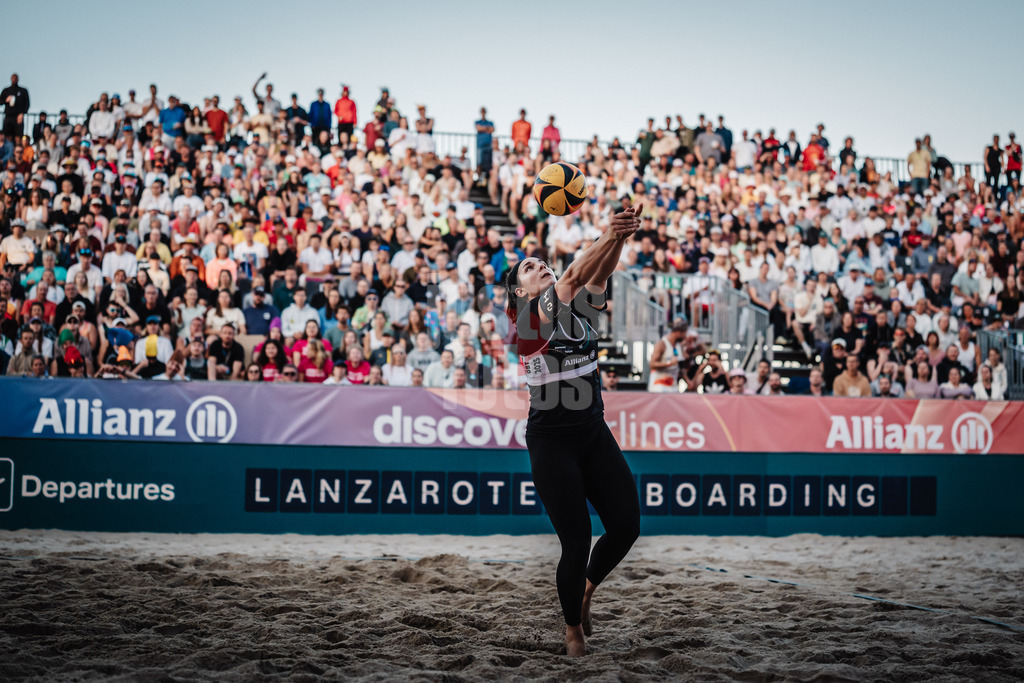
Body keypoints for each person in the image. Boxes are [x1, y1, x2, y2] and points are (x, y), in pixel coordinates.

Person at [503, 204, 641, 658]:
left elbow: (596, 276)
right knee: (576, 541)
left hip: (592, 432)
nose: (541, 266)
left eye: (542, 262)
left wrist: (619, 237)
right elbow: (575, 274)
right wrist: (609, 232)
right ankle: (572, 633)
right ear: (519, 292)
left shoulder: (578, 311)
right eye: (529, 268)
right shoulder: (530, 320)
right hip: (552, 443)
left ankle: (585, 591)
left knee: (626, 526)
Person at [647, 318, 687, 392]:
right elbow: (652, 364)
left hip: (673, 387)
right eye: (684, 333)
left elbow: (679, 366)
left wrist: (688, 381)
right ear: (679, 332)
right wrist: (668, 363)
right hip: (659, 386)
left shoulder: (678, 345)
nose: (685, 336)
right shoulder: (662, 344)